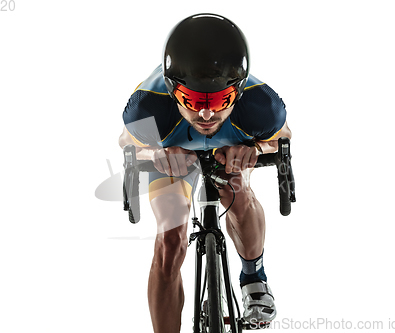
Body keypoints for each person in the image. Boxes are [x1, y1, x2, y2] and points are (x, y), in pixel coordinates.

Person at [119, 13, 292, 333]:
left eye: (222, 100)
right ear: (173, 91)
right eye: (194, 101)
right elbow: (127, 143)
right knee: (170, 238)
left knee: (236, 190)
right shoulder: (149, 107)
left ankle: (253, 278)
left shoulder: (260, 105)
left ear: (238, 93)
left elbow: (282, 137)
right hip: (172, 151)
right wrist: (156, 153)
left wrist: (255, 149)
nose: (207, 114)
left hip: (230, 148)